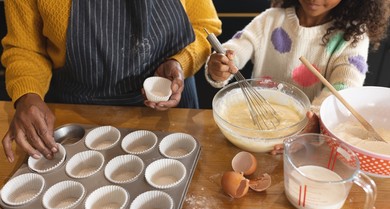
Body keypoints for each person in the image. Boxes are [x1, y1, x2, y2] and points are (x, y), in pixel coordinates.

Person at [1, 0, 221, 163]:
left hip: (169, 108)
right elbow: (26, 48)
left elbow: (204, 26)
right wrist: (27, 95)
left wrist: (180, 61)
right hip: (78, 114)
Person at [205, 0, 390, 154]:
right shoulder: (270, 19)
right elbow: (238, 46)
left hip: (307, 144)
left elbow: (345, 87)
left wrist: (315, 121)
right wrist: (221, 64)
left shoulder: (352, 36)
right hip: (251, 132)